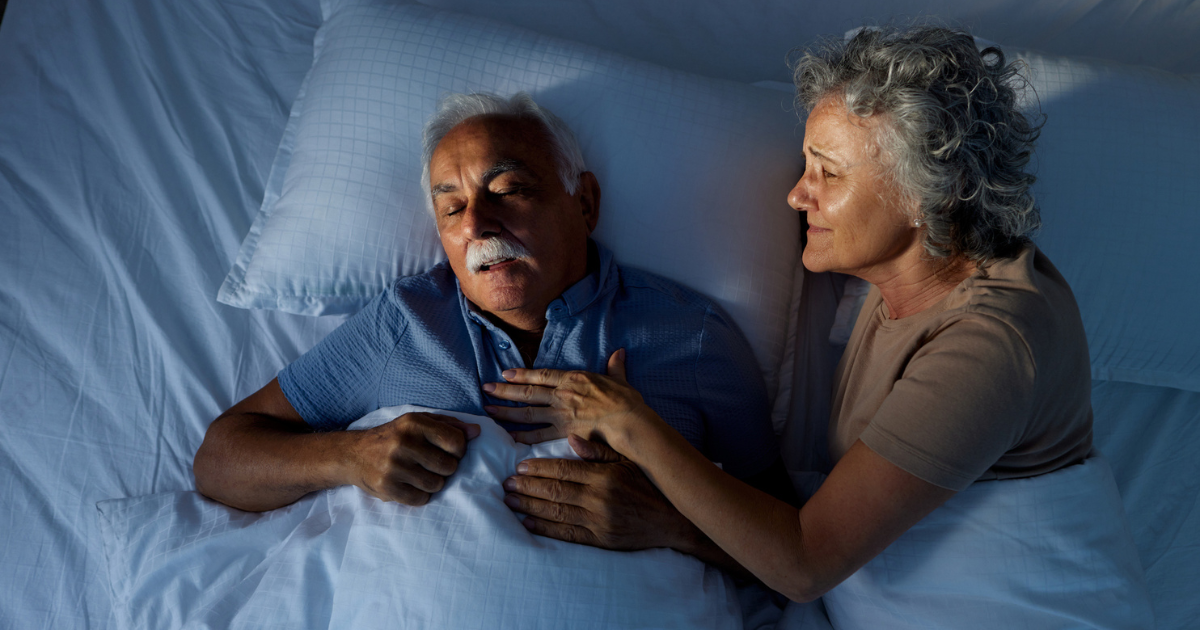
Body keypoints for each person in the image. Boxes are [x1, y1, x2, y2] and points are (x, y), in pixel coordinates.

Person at [484, 25, 1137, 613]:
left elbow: (804, 563)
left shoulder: (994, 342)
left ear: (925, 196)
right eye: (806, 164)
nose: (798, 194)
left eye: (828, 173)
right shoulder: (888, 266)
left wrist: (631, 425)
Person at [193, 92, 791, 570]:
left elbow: (794, 541)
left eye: (507, 190)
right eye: (451, 208)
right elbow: (220, 459)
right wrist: (348, 455)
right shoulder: (402, 322)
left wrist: (670, 525)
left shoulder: (691, 336)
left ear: (584, 203)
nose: (477, 224)